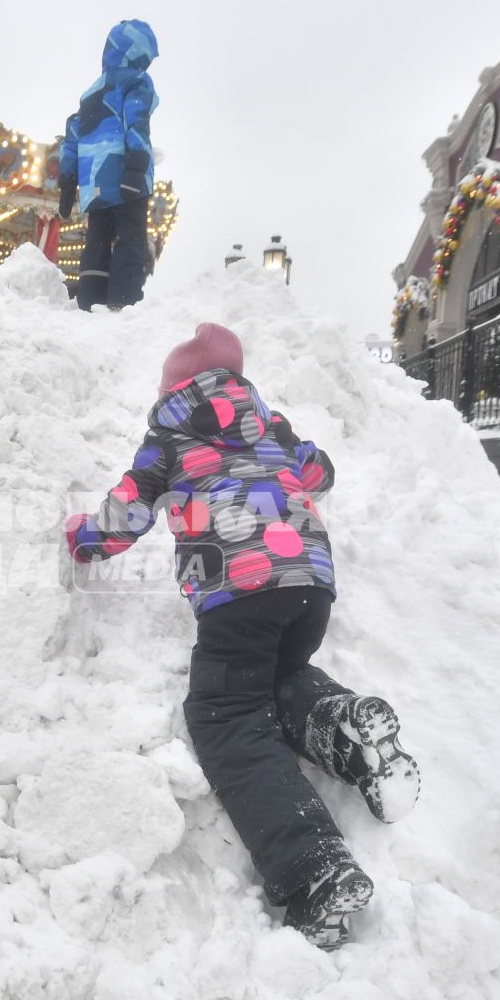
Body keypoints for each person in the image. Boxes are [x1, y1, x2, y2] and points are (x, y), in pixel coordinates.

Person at [64, 323, 421, 950]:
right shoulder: (271, 427)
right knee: (279, 676)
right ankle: (348, 732)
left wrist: (79, 539)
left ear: (173, 387)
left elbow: (124, 517)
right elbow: (322, 472)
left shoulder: (169, 437)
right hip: (310, 582)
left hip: (241, 591)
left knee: (226, 713)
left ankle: (315, 868)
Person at [58, 20, 160, 312]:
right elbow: (136, 123)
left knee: (98, 238)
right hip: (126, 174)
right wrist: (136, 166)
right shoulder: (136, 82)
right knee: (131, 236)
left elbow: (73, 133)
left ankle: (90, 299)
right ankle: (123, 302)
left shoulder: (91, 93)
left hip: (95, 182)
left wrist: (68, 180)